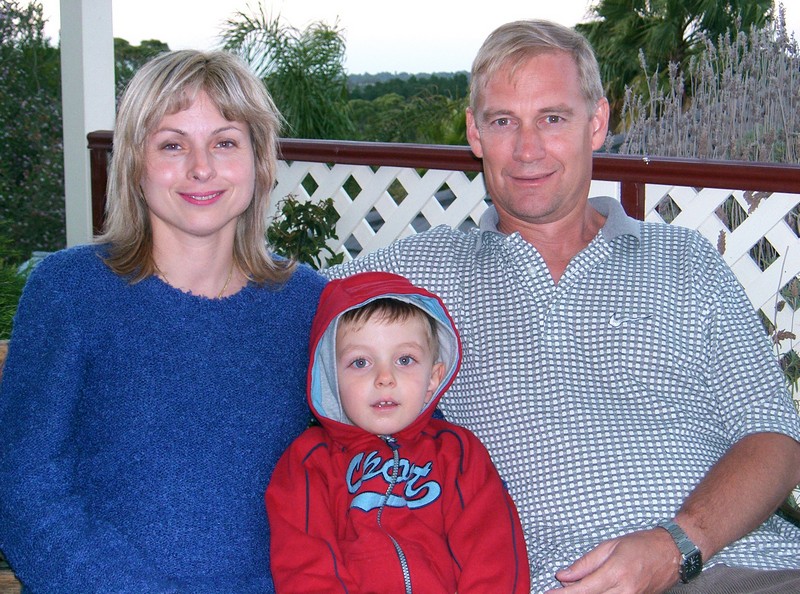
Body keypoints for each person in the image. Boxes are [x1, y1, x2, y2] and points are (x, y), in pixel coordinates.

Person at [326, 19, 800, 594]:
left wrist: (675, 546)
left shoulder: (685, 261)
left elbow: (775, 439)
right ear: (475, 133)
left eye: (552, 118)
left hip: (735, 566)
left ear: (596, 123)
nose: (527, 150)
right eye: (503, 122)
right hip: (557, 582)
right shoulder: (424, 273)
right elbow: (272, 301)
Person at [0, 50, 325, 592]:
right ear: (134, 163)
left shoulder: (309, 304)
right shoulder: (70, 291)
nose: (201, 167)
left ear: (260, 161)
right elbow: (23, 488)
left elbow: (373, 454)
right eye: (172, 145)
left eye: (225, 143)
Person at [265, 271, 529, 593]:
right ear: (331, 379)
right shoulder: (310, 462)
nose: (384, 378)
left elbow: (493, 551)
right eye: (360, 362)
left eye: (405, 359)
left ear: (433, 378)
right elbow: (304, 562)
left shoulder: (458, 454)